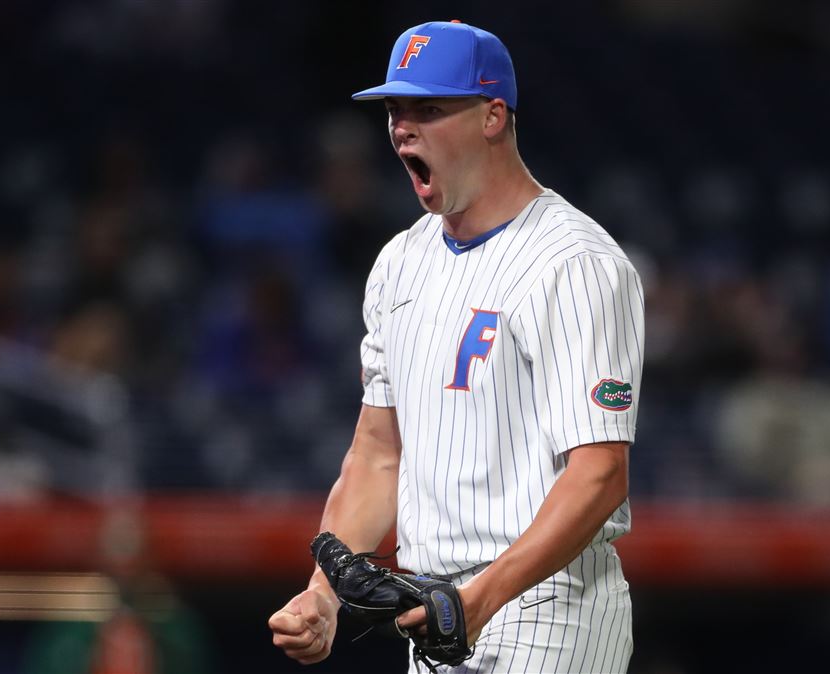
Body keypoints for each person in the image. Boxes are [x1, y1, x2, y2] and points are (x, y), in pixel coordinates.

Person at [269, 20, 644, 673]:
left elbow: (600, 474)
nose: (402, 128)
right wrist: (323, 594)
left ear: (493, 116)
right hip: (435, 611)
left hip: (549, 604)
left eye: (429, 109)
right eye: (395, 109)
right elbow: (377, 454)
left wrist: (481, 598)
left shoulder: (575, 263)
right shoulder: (399, 263)